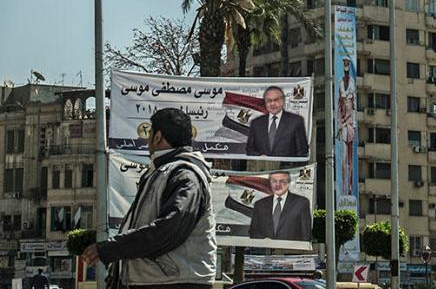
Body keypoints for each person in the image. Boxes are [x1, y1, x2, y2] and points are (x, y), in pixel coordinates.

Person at [81, 108, 217, 288]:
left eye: (149, 133)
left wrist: (111, 249)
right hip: (157, 281)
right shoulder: (162, 172)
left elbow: (168, 230)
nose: (147, 141)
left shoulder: (185, 176)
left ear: (158, 137)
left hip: (175, 282)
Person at [246, 86, 309, 158]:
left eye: (276, 100)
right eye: (269, 100)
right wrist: (260, 156)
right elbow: (249, 150)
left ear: (283, 101)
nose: (272, 104)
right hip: (262, 167)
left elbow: (302, 151)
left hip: (287, 168)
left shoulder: (296, 121)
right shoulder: (256, 123)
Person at [249, 171, 312, 241]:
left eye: (282, 181)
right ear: (270, 183)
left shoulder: (301, 203)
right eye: (274, 181)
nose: (278, 185)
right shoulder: (260, 204)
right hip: (265, 250)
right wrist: (264, 241)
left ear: (288, 183)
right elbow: (253, 232)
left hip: (291, 250)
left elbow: (306, 234)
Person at [337, 57, 356, 196]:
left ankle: (350, 186)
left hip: (350, 125)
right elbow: (339, 105)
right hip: (343, 124)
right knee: (344, 158)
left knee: (350, 159)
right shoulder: (340, 84)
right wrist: (339, 125)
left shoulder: (352, 84)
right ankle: (344, 186)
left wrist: (353, 125)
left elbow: (353, 106)